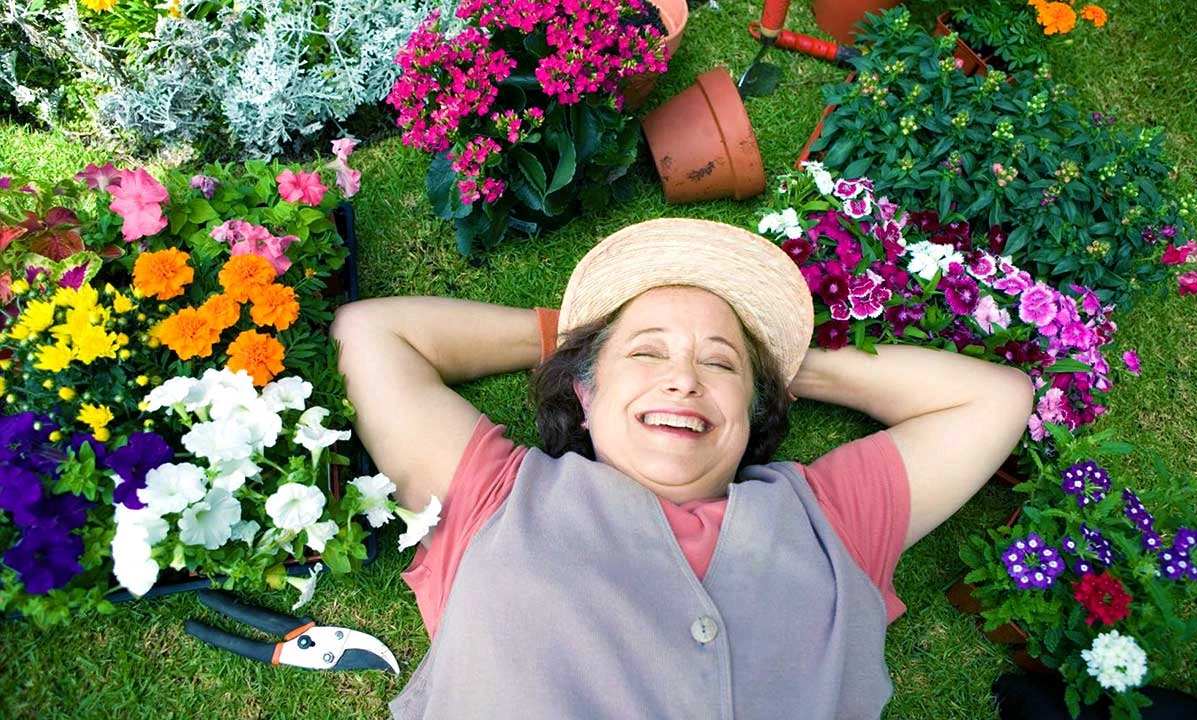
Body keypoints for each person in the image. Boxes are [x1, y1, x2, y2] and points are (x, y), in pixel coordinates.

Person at [329, 218, 1033, 719]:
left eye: (718, 364)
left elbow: (996, 398)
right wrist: (572, 336)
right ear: (585, 389)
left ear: (757, 409)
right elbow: (370, 334)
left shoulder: (829, 520)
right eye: (645, 354)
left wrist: (781, 365)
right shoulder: (495, 497)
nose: (683, 381)